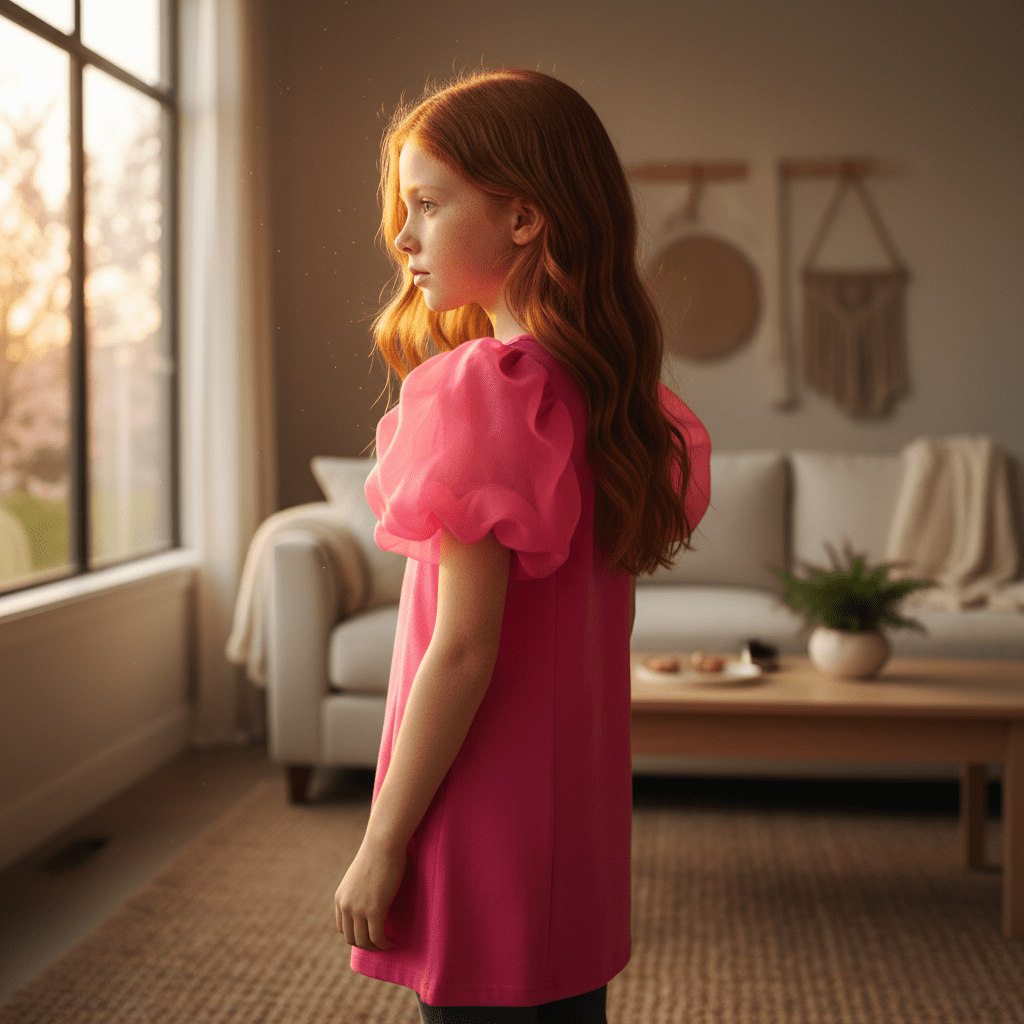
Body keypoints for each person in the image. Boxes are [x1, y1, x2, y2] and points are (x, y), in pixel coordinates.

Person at [334, 67, 711, 1023]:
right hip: (573, 830)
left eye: (427, 203)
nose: (402, 235)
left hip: (479, 818)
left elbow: (461, 649)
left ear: (523, 218)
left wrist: (381, 843)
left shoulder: (482, 389)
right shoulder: (607, 396)